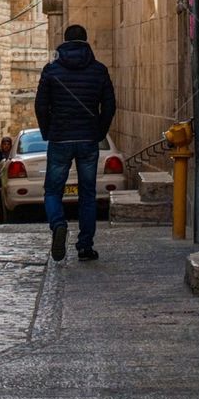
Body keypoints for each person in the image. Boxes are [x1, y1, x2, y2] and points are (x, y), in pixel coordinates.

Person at [34, 24, 116, 262]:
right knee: (88, 194)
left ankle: (58, 224)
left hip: (60, 137)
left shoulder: (51, 70)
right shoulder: (99, 71)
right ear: (86, 41)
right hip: (88, 139)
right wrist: (99, 131)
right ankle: (85, 246)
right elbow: (109, 106)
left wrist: (48, 130)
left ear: (65, 42)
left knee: (52, 190)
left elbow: (40, 105)